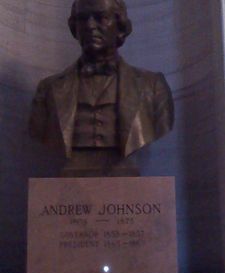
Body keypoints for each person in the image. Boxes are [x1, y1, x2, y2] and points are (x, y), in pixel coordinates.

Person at [29, 0, 174, 177]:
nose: (90, 26)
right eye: (83, 19)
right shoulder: (48, 89)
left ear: (120, 26)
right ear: (74, 27)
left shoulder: (152, 86)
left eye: (101, 17)